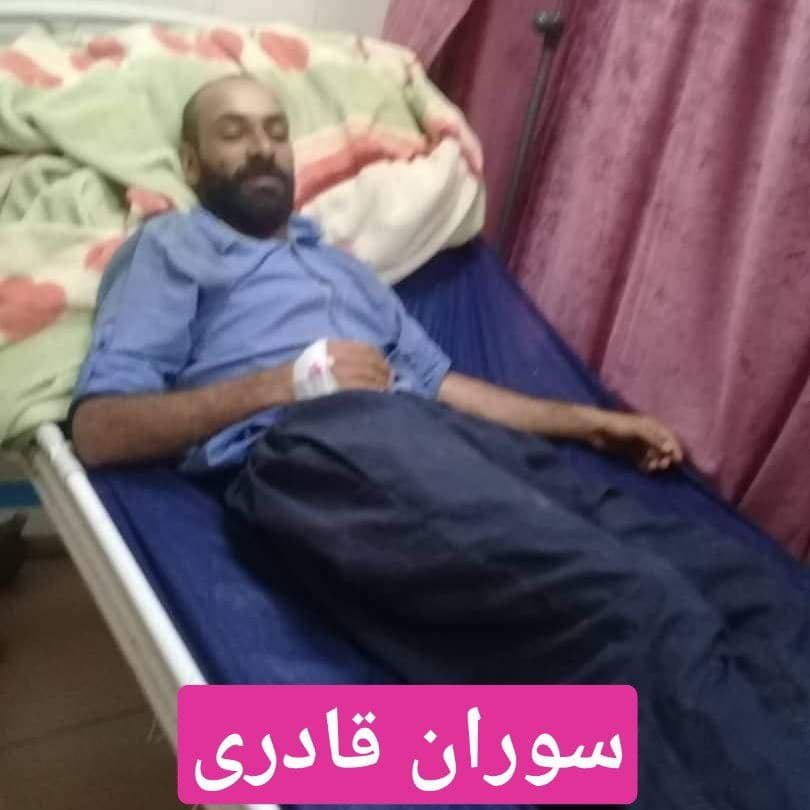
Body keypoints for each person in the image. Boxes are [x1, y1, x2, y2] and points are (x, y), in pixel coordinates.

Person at [70, 75, 809, 809]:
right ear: (191, 163)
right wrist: (284, 383)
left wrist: (591, 423)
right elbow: (101, 430)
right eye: (233, 133)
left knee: (729, 583)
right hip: (323, 443)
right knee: (629, 606)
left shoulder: (342, 267)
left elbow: (442, 385)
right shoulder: (172, 249)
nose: (262, 148)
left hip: (445, 439)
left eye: (275, 130)